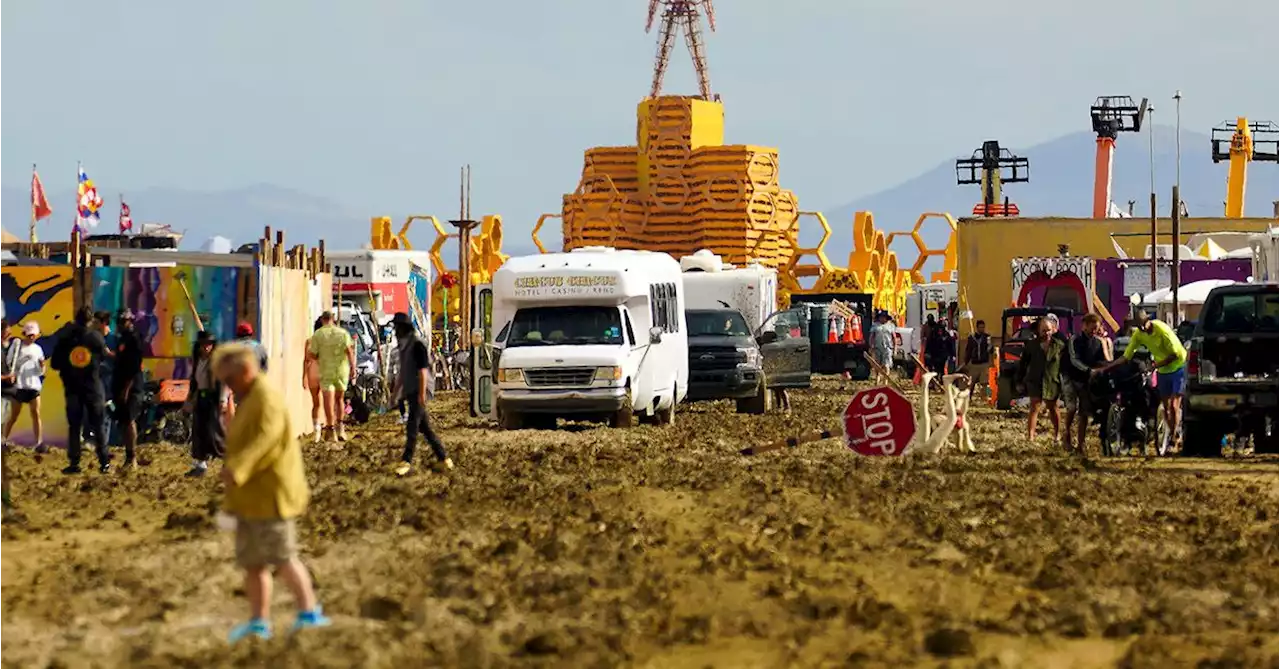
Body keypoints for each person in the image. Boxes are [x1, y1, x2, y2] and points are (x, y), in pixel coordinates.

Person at [213, 343, 330, 643]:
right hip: (251, 498)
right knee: (253, 562)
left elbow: (265, 440)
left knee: (283, 557)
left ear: (246, 371)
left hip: (273, 495)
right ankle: (258, 621)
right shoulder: (250, 397)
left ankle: (308, 612)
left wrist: (238, 468)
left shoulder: (266, 398)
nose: (228, 386)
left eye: (230, 379)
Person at [1095, 310, 1187, 448]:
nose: (1142, 328)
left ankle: (1175, 435)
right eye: (1139, 326)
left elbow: (1175, 354)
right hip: (1163, 369)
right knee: (1166, 407)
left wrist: (1154, 366)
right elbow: (1126, 357)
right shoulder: (1139, 335)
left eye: (1144, 325)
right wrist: (1106, 368)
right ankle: (1169, 434)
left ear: (1148, 320)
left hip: (1178, 366)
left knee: (1174, 406)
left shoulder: (1162, 330)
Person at [390, 313, 452, 476]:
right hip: (411, 390)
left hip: (420, 389)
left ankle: (406, 461)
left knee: (412, 426)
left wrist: (422, 394)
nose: (395, 331)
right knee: (425, 428)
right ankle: (443, 458)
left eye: (397, 327)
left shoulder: (417, 345)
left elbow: (423, 371)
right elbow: (402, 374)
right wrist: (395, 394)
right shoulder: (404, 347)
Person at [50, 307, 109, 474]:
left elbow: (54, 364)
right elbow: (103, 358)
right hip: (93, 387)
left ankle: (74, 463)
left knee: (74, 426)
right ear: (90, 321)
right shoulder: (96, 338)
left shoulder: (65, 338)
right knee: (98, 425)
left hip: (73, 387)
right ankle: (104, 462)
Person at [1062, 313, 1111, 454]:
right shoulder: (1074, 340)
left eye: (1096, 328)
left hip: (1086, 380)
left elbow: (1103, 361)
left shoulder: (1098, 342)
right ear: (1084, 325)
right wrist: (1090, 370)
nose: (1094, 330)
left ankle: (1081, 443)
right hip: (1070, 377)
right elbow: (1074, 359)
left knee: (1083, 411)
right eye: (1092, 327)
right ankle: (1067, 434)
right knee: (1071, 408)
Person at [186, 331, 230, 477]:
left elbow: (224, 382)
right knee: (199, 430)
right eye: (204, 344)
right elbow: (194, 380)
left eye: (209, 344)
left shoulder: (217, 361)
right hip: (201, 398)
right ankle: (200, 464)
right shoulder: (198, 360)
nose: (206, 347)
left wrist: (223, 399)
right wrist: (189, 398)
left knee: (215, 432)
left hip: (213, 399)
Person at [307, 311, 355, 443]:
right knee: (339, 400)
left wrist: (319, 358)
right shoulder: (343, 333)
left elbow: (312, 354)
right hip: (341, 371)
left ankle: (331, 429)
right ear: (333, 319)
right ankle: (341, 428)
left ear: (323, 320)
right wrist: (353, 368)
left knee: (328, 401)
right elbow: (349, 351)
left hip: (326, 371)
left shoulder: (318, 334)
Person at [1017, 317, 1065, 443]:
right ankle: (1031, 436)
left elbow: (1065, 365)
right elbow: (1023, 364)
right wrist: (1020, 381)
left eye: (1048, 330)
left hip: (1052, 381)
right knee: (1034, 407)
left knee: (1053, 407)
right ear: (1038, 331)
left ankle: (1056, 434)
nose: (1046, 333)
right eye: (1043, 330)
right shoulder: (1031, 346)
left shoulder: (1059, 346)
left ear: (1053, 330)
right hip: (1035, 380)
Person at [111, 311, 145, 468]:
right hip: (120, 383)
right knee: (124, 421)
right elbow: (120, 360)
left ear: (130, 321)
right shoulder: (121, 338)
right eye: (118, 321)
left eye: (122, 321)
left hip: (131, 386)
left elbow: (134, 367)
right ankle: (127, 455)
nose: (119, 324)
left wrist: (126, 389)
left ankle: (132, 457)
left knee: (130, 419)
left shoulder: (134, 339)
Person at [3, 322, 46, 450]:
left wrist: (42, 366)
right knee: (14, 415)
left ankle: (38, 442)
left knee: (36, 413)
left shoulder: (38, 349)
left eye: (33, 335)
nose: (31, 337)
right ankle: (3, 439)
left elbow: (39, 372)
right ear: (24, 334)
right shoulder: (17, 346)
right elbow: (9, 363)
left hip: (33, 386)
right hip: (19, 386)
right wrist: (14, 373)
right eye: (29, 335)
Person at [94, 311, 116, 449]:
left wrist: (109, 354)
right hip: (95, 379)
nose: (94, 325)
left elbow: (121, 357)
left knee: (106, 410)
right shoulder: (94, 338)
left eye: (96, 322)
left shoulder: (113, 339)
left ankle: (105, 442)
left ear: (103, 323)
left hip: (109, 379)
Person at [301, 317, 323, 438]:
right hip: (323, 373)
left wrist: (304, 376)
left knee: (316, 403)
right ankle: (319, 429)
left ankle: (317, 430)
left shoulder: (309, 341)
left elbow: (306, 361)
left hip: (313, 373)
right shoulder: (324, 342)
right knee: (322, 402)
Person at [963, 319, 993, 401]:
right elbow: (968, 350)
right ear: (977, 328)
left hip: (984, 363)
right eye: (980, 327)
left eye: (983, 327)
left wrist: (990, 345)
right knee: (971, 383)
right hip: (974, 364)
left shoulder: (987, 337)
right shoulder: (971, 338)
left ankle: (984, 398)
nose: (982, 329)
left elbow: (990, 350)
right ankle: (968, 398)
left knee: (985, 383)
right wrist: (966, 361)